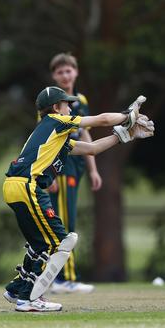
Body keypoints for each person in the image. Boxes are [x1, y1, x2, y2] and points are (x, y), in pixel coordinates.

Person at [2, 86, 154, 312]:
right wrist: (128, 115)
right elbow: (101, 119)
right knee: (61, 241)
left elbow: (92, 148)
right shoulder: (56, 121)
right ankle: (28, 299)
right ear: (55, 107)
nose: (71, 107)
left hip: (15, 186)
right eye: (66, 103)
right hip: (27, 185)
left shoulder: (57, 137)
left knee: (40, 243)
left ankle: (17, 289)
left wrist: (124, 135)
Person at [46, 53, 101, 294]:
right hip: (61, 163)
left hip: (77, 163)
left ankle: (56, 278)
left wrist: (93, 169)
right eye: (60, 72)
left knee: (68, 220)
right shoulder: (50, 100)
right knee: (64, 222)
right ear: (54, 76)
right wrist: (51, 174)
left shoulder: (81, 100)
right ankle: (62, 279)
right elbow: (46, 138)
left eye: (69, 71)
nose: (65, 75)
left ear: (76, 73)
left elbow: (86, 133)